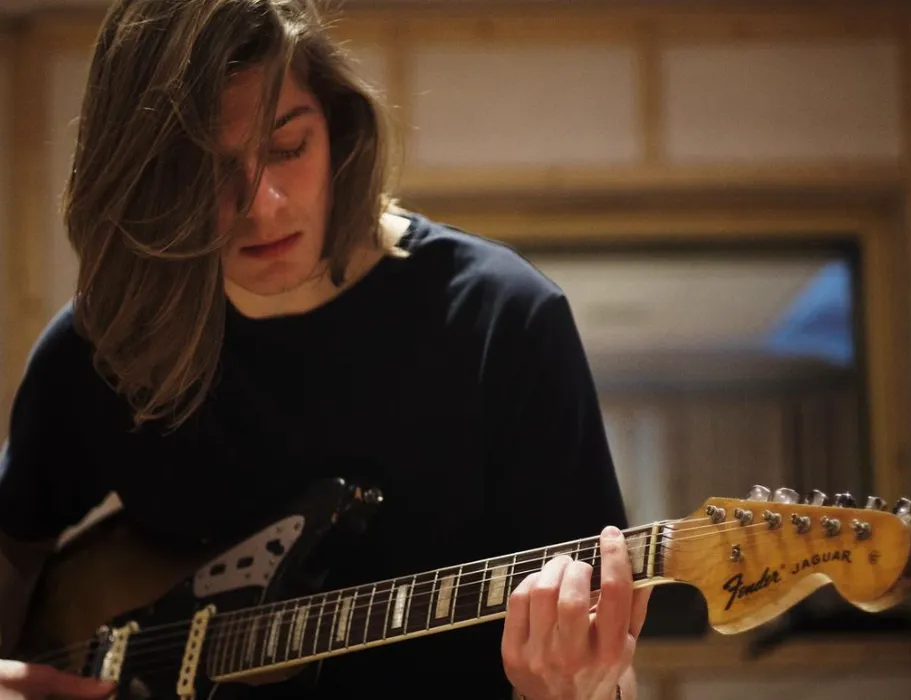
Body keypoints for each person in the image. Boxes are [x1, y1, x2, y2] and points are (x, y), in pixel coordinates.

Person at [0, 0, 651, 698]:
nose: (264, 206)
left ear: (338, 128)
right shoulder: (106, 344)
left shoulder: (504, 322)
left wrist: (576, 688)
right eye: (205, 171)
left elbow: (607, 659)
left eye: (287, 147)